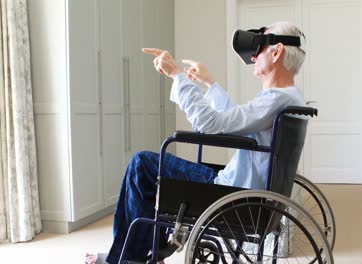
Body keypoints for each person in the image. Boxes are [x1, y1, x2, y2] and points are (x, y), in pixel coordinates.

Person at [85, 21, 306, 264]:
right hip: (246, 190)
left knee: (142, 165)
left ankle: (128, 258)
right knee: (151, 173)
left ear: (277, 52)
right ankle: (141, 253)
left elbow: (210, 124)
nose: (254, 56)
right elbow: (235, 123)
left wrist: (177, 76)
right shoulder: (289, 97)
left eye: (260, 47)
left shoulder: (274, 99)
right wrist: (210, 84)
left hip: (233, 195)